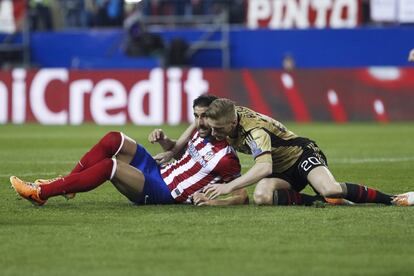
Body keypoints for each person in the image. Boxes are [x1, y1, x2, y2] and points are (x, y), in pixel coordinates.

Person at [11, 95, 248, 207]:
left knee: (109, 166)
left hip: (164, 192)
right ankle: (69, 186)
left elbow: (242, 196)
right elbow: (179, 152)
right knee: (114, 139)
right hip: (159, 170)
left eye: (204, 117)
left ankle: (41, 193)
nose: (199, 121)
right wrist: (166, 142)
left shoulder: (227, 158)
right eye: (196, 116)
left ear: (219, 119)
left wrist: (212, 202)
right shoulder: (200, 129)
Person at [202, 98, 414, 206]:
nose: (213, 132)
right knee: (261, 196)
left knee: (329, 188)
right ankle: (320, 203)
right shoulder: (224, 114)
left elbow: (264, 168)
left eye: (218, 129)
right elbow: (200, 118)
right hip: (281, 169)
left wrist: (228, 187)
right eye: (211, 127)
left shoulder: (255, 132)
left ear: (232, 122)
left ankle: (393, 199)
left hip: (301, 154)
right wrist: (174, 145)